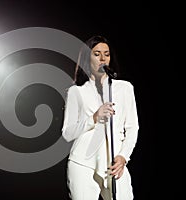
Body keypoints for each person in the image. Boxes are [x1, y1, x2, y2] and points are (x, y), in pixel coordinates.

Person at [61, 35, 139, 200]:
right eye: (97, 54)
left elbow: (132, 128)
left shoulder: (124, 88)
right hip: (82, 163)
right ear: (87, 58)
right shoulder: (76, 91)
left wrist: (124, 156)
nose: (103, 58)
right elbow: (67, 133)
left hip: (114, 163)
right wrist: (94, 117)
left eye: (107, 54)